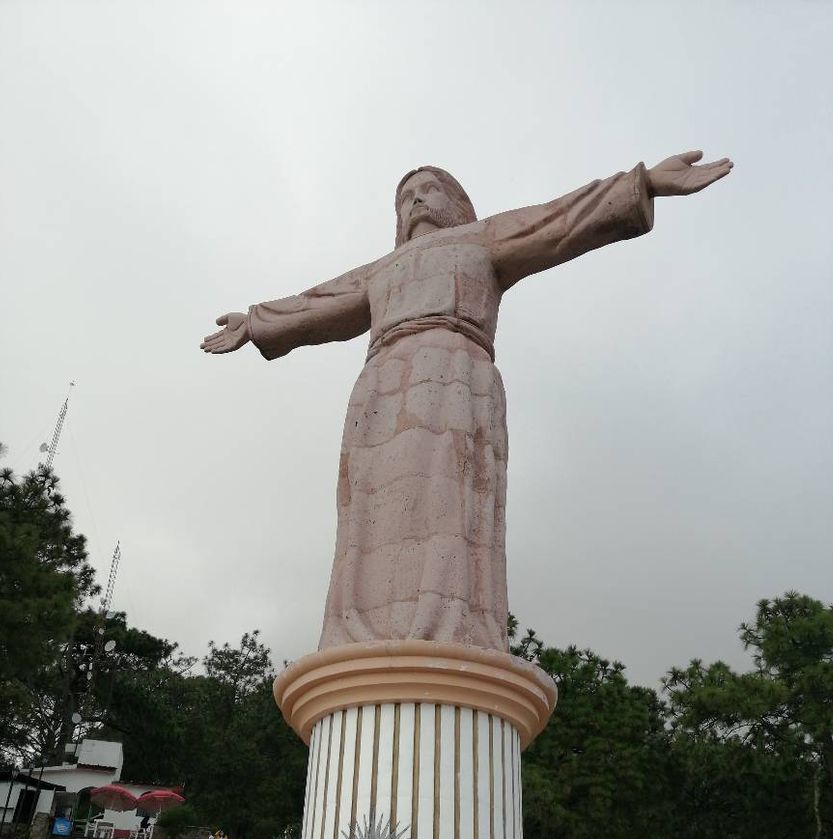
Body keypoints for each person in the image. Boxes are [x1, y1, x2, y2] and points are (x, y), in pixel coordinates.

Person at [201, 153, 733, 654]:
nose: (416, 200)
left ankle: (452, 624)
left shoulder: (482, 239)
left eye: (430, 189)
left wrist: (641, 183)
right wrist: (255, 322)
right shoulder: (384, 269)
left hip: (455, 374)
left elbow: (559, 221)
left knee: (451, 500)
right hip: (380, 387)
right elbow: (319, 301)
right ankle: (358, 631)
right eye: (405, 195)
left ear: (458, 205)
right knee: (364, 510)